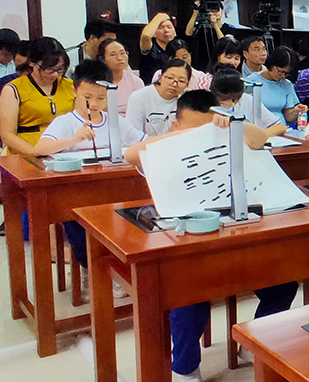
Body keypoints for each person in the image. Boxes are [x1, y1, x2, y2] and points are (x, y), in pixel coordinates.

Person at [125, 89, 297, 382]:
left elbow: (260, 138)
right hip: (187, 245)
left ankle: (255, 340)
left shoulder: (228, 139)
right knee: (189, 299)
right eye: (194, 129)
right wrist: (188, 138)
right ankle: (186, 368)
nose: (203, 137)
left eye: (208, 129)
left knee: (283, 283)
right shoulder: (162, 149)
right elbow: (131, 155)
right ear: (176, 125)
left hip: (235, 239)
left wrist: (232, 124)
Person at [35, 60, 146, 293]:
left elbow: (143, 143)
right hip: (76, 196)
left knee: (131, 219)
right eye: (87, 97)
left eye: (101, 98)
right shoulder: (65, 122)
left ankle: (119, 270)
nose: (94, 104)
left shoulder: (117, 122)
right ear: (75, 90)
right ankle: (90, 270)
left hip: (113, 194)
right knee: (77, 225)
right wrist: (74, 139)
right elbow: (41, 149)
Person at [0, 37, 74, 154]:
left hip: (65, 151)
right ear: (32, 63)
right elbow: (7, 135)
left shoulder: (70, 86)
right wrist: (35, 152)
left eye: (60, 69)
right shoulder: (13, 89)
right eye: (49, 69)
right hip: (27, 152)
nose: (55, 75)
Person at [210, 67, 285, 146]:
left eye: (234, 100)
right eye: (222, 101)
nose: (228, 105)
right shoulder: (208, 107)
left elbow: (280, 127)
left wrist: (259, 136)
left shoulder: (248, 100)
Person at [126, 59, 190, 137]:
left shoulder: (188, 101)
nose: (174, 84)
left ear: (187, 85)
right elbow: (133, 134)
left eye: (181, 81)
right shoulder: (139, 97)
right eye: (170, 78)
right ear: (160, 78)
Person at [248, 46, 308, 124]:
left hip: (281, 127)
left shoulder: (287, 85)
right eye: (281, 71)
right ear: (272, 64)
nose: (283, 76)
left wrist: (296, 111)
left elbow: (288, 117)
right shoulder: (251, 81)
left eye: (286, 74)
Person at [96, 38, 144, 116]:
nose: (119, 58)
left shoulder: (136, 82)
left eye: (122, 53)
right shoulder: (97, 83)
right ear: (103, 59)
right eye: (113, 54)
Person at [138, 12, 176, 84]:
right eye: (161, 28)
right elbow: (146, 35)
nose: (166, 30)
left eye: (169, 27)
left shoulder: (178, 48)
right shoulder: (149, 48)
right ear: (154, 33)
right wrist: (161, 16)